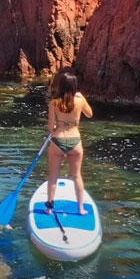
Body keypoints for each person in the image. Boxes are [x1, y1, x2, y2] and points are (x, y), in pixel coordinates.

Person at [46, 68, 93, 215]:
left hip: (58, 140)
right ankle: (81, 209)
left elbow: (50, 127)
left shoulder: (54, 103)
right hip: (75, 141)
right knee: (77, 176)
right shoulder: (80, 101)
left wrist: (56, 127)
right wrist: (82, 97)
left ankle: (49, 208)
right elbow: (90, 114)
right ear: (74, 86)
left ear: (60, 86)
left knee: (53, 176)